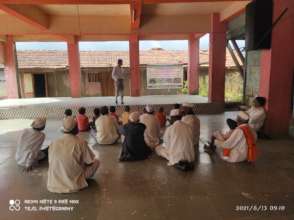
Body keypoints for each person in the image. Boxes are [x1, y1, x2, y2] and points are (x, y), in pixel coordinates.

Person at [47, 117, 100, 193]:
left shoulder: (54, 142)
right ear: (76, 129)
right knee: (97, 161)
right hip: (73, 185)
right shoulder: (81, 142)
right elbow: (90, 162)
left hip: (53, 184)